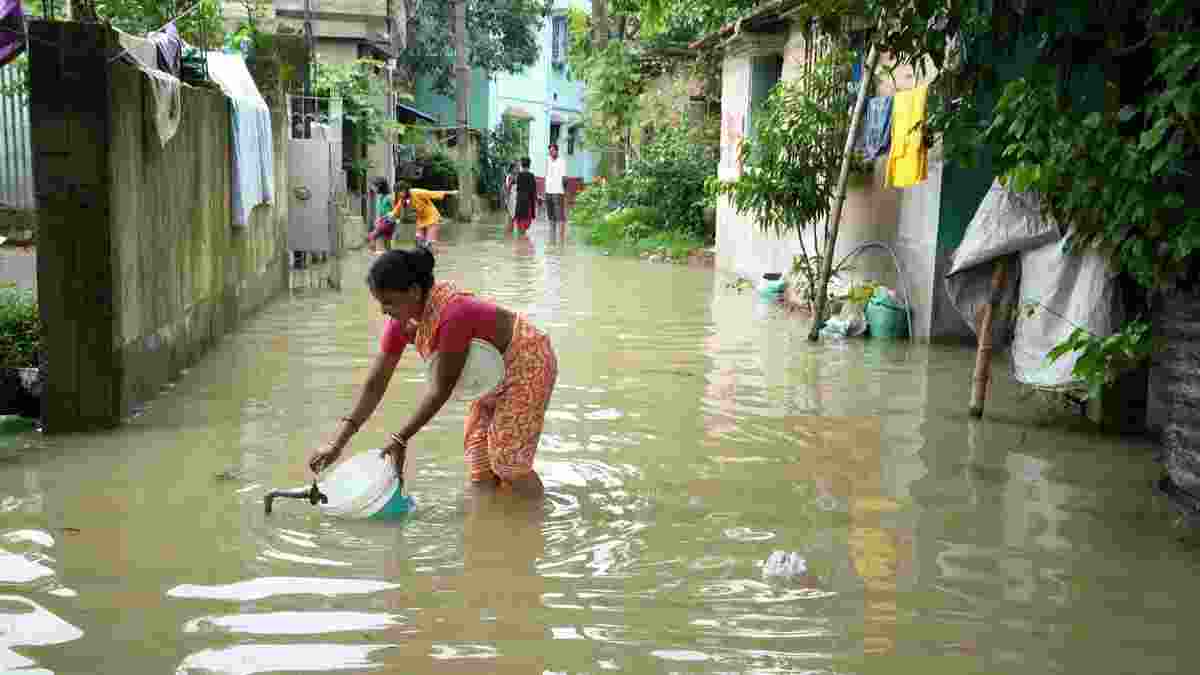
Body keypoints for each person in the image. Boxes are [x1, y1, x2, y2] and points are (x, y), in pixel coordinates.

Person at [308, 247, 558, 498]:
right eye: (380, 303)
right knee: (480, 465)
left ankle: (538, 522)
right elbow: (376, 383)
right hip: (488, 375)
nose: (383, 311)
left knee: (509, 465)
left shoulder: (453, 315)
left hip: (526, 362)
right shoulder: (402, 322)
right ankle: (492, 526)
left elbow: (440, 390)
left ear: (415, 292)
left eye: (388, 302)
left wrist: (401, 438)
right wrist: (337, 444)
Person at [393, 185, 458, 246]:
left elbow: (432, 193)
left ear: (405, 190)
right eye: (397, 192)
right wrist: (392, 214)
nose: (399, 194)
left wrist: (451, 193)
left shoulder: (416, 192)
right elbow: (398, 206)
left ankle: (431, 252)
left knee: (429, 243)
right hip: (421, 220)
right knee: (418, 242)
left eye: (400, 191)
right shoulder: (403, 198)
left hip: (431, 218)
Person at [367, 178, 395, 252]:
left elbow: (395, 210)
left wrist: (388, 217)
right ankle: (390, 256)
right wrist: (378, 220)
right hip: (384, 221)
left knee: (372, 236)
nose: (373, 188)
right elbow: (380, 212)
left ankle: (373, 252)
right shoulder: (380, 197)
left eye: (374, 186)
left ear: (380, 186)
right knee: (386, 242)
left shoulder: (389, 197)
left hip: (388, 222)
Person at [511, 157, 537, 235]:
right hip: (527, 203)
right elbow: (533, 191)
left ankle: (520, 243)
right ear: (529, 165)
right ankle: (522, 243)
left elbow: (516, 188)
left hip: (519, 203)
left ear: (522, 165)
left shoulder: (518, 175)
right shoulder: (531, 176)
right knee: (524, 229)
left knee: (519, 226)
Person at [544, 144, 567, 231]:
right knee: (550, 215)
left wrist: (564, 192)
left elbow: (564, 178)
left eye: (552, 150)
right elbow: (546, 175)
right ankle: (552, 238)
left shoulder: (562, 161)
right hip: (548, 191)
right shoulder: (547, 161)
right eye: (550, 151)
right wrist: (544, 191)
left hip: (558, 191)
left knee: (560, 215)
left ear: (557, 151)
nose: (551, 152)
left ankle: (561, 237)